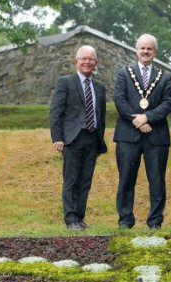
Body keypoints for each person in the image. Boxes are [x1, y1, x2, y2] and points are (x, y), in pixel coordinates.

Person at [113, 34, 171, 230]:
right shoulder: (124, 73)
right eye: (142, 48)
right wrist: (137, 121)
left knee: (157, 180)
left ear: (155, 52)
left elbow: (169, 103)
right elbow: (119, 100)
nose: (145, 52)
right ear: (136, 50)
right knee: (126, 179)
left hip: (156, 137)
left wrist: (147, 118)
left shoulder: (165, 77)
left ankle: (155, 221)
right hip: (127, 136)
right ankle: (125, 220)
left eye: (149, 49)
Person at [49, 45, 107, 231]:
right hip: (72, 139)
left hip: (92, 140)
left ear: (96, 63)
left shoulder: (99, 88)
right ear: (76, 61)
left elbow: (101, 116)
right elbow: (56, 112)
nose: (87, 62)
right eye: (84, 58)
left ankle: (80, 218)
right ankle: (70, 218)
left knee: (85, 181)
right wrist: (57, 138)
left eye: (91, 59)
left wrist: (100, 143)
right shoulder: (65, 82)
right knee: (72, 180)